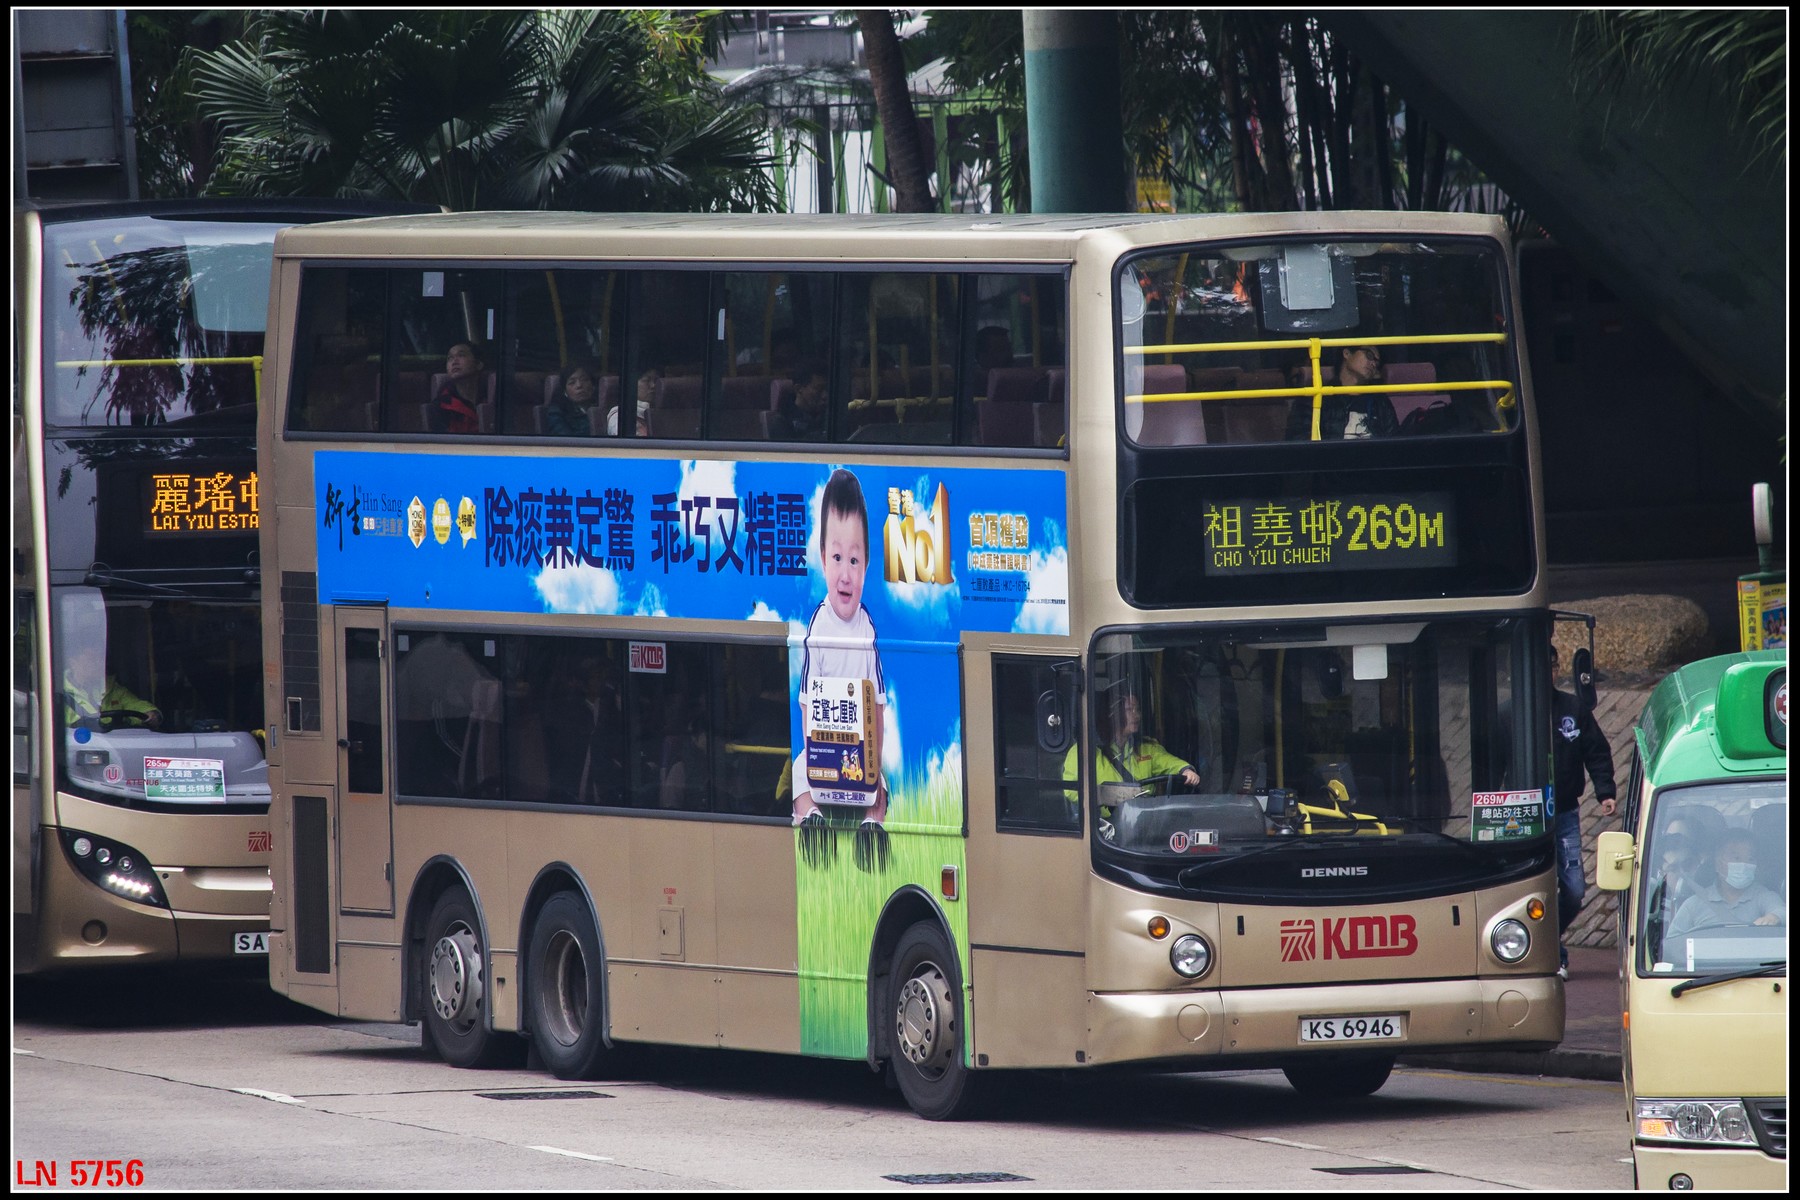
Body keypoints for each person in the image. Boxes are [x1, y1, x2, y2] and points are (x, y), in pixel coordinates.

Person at [792, 469, 888, 870]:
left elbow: (878, 707)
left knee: (881, 789)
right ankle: (813, 821)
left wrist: (874, 762)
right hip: (824, 747)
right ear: (822, 558)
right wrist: (818, 754)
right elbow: (806, 705)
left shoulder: (868, 630)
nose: (845, 573)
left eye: (854, 559)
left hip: (860, 751)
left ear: (867, 564)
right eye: (836, 558)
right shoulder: (818, 628)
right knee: (800, 774)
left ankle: (872, 828)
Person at [1549, 642, 1616, 979]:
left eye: (1550, 665)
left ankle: (1547, 942)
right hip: (1523, 818)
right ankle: (1554, 955)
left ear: (1557, 668)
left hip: (1564, 814)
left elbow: (1597, 751)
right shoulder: (1509, 711)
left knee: (1574, 890)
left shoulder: (1573, 708)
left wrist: (1605, 791)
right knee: (1534, 889)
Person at [1062, 690, 1202, 835]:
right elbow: (1072, 790)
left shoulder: (1147, 748)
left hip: (1146, 825)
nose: (1137, 715)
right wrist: (1108, 795)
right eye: (1130, 710)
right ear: (1113, 715)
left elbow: (1168, 762)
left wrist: (1185, 770)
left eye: (1138, 709)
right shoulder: (1083, 751)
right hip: (1106, 828)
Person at [1668, 827, 1784, 939]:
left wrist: (1774, 917)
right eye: (1737, 858)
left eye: (1750, 859)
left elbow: (1782, 911)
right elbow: (1672, 945)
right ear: (1718, 863)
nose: (1744, 864)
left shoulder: (1763, 896)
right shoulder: (1694, 905)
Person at [1284, 344, 1398, 440]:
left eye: (1377, 363)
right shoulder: (1315, 398)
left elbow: (1393, 441)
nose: (1373, 364)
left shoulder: (1380, 401)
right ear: (1347, 354)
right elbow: (1299, 441)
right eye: (1369, 355)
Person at [61, 642, 161, 730]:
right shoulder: (57, 693)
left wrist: (151, 713)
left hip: (114, 744)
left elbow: (136, 705)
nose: (100, 663)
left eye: (100, 659)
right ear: (73, 663)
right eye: (92, 659)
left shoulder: (112, 688)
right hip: (81, 748)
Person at [429, 341, 487, 434]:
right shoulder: (440, 406)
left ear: (478, 364)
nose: (454, 361)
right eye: (450, 358)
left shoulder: (495, 399)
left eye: (461, 355)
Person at [769, 359, 829, 441]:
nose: (825, 396)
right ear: (798, 389)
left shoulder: (830, 418)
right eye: (819, 389)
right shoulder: (782, 422)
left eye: (827, 389)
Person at [542, 363, 600, 437]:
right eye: (572, 382)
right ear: (565, 391)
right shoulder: (556, 412)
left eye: (584, 380)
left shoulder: (603, 407)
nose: (579, 385)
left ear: (593, 385)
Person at [609, 367, 655, 436]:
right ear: (632, 384)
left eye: (656, 380)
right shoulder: (621, 416)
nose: (653, 385)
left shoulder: (664, 415)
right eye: (647, 380)